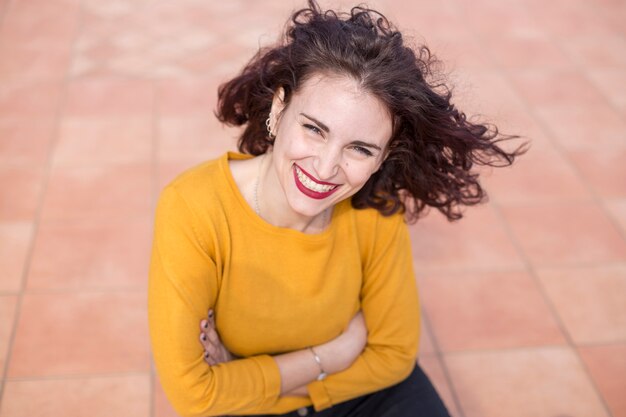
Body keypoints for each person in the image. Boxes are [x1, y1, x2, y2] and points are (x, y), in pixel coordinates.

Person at [148, 1, 526, 416]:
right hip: (318, 375)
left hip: (333, 388)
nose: (326, 168)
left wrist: (250, 377)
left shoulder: (377, 210)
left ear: (384, 157)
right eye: (314, 128)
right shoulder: (193, 207)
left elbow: (394, 356)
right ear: (279, 109)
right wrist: (331, 355)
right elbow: (193, 395)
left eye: (360, 149)